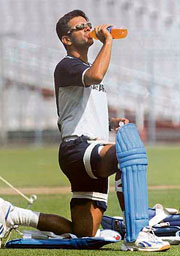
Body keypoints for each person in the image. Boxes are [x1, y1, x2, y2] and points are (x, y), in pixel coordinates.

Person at [0, 10, 170, 252]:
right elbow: (96, 74)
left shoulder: (82, 69)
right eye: (80, 27)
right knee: (128, 152)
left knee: (84, 233)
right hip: (78, 149)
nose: (88, 28)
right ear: (66, 39)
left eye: (88, 24)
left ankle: (14, 215)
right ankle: (138, 233)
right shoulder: (67, 65)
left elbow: (77, 109)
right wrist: (108, 41)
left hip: (86, 151)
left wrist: (108, 122)